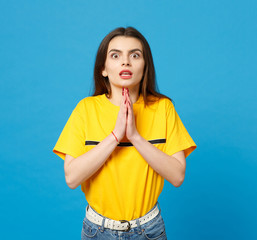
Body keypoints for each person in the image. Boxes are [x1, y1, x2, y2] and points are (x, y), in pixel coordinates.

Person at [53, 27, 196, 240]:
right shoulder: (85, 109)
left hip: (149, 231)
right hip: (97, 231)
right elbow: (72, 178)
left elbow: (177, 176)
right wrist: (115, 137)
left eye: (135, 55)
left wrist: (136, 137)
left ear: (145, 66)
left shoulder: (163, 108)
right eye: (115, 55)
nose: (125, 62)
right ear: (103, 68)